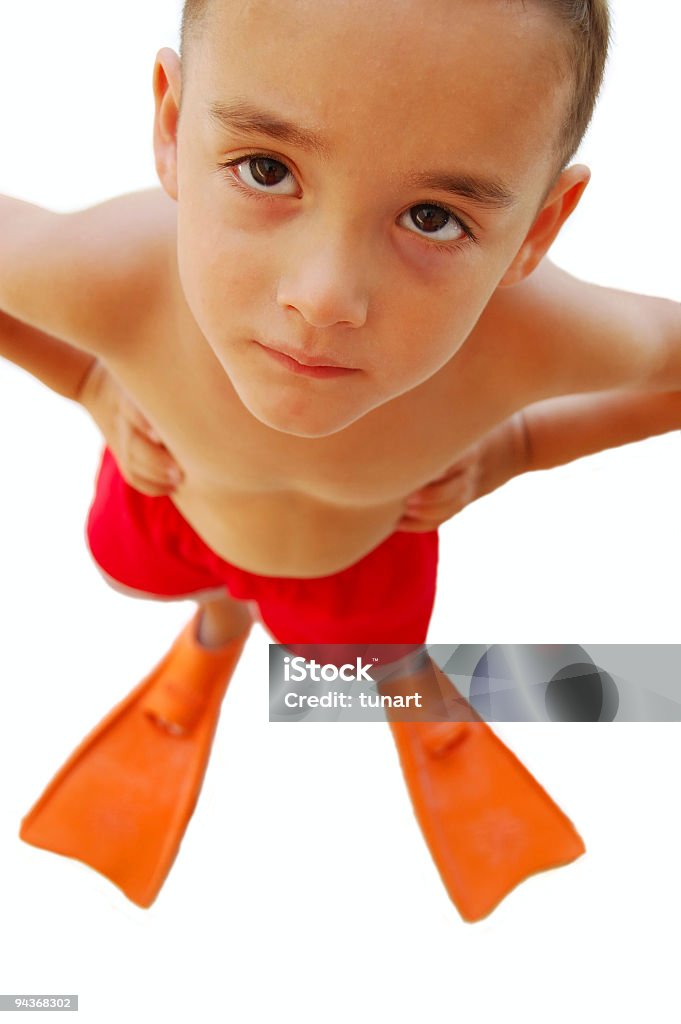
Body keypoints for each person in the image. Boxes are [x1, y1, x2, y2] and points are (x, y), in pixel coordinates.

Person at [1, 0, 679, 920]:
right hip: (172, 509)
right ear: (171, 124)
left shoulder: (532, 339)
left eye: (433, 219)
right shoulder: (114, 275)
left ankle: (408, 693)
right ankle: (215, 634)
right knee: (202, 586)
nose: (323, 298)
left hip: (361, 554)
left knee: (362, 649)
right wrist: (87, 382)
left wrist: (517, 448)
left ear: (536, 228)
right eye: (267, 168)